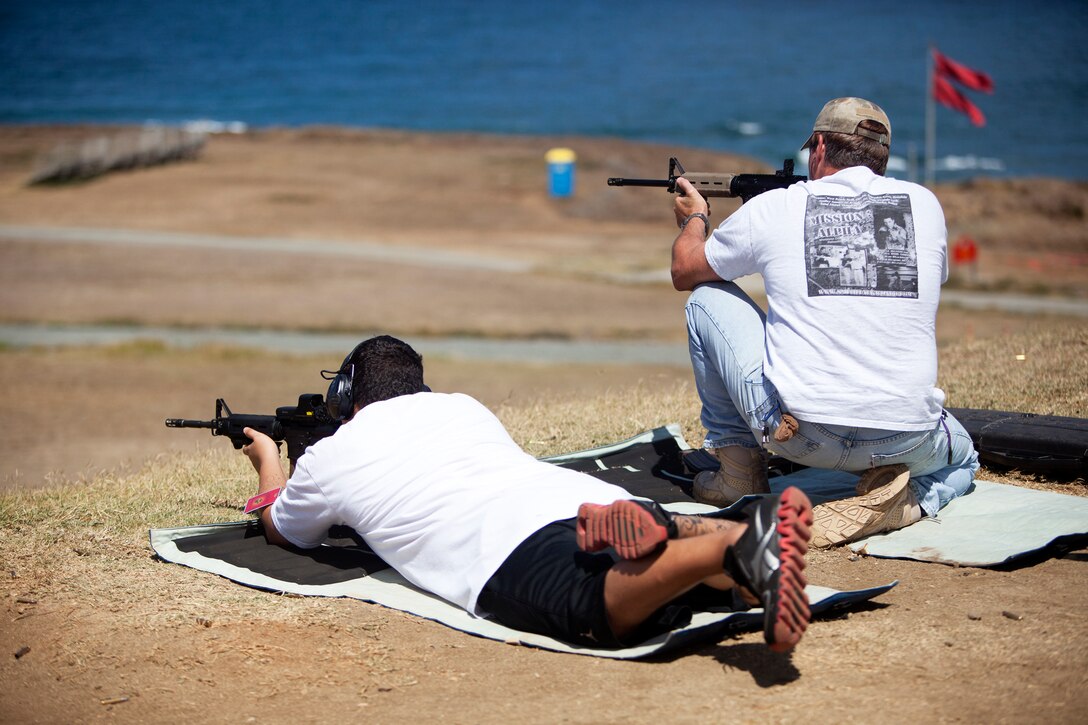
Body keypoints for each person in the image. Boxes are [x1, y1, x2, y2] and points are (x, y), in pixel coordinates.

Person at [240, 335, 814, 651]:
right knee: (686, 588)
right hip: (577, 498)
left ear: (345, 396)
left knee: (596, 608)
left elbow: (284, 530)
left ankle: (722, 550)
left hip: (501, 545)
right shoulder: (462, 407)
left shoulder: (331, 455)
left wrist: (271, 462)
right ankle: (729, 543)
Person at [668, 97, 980, 548]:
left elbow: (685, 270)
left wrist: (695, 218)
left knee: (707, 298)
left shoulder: (776, 207)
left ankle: (738, 473)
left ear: (817, 147)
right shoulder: (925, 206)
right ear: (882, 155)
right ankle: (912, 499)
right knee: (965, 459)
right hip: (906, 439)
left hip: (801, 436)